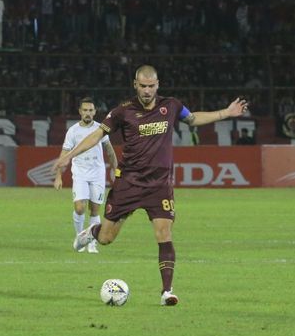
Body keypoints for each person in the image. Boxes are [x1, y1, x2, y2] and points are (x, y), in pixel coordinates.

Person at [53, 65, 248, 306]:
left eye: (151, 86)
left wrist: (226, 112)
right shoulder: (122, 112)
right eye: (142, 86)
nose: (147, 91)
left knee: (164, 233)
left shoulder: (172, 105)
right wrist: (68, 155)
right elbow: (96, 136)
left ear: (158, 85)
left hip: (159, 185)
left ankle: (167, 291)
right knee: (106, 238)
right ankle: (91, 232)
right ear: (135, 85)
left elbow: (194, 119)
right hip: (129, 183)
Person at [54, 97, 117, 254]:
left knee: (95, 210)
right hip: (80, 173)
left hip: (97, 173)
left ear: (95, 112)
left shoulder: (100, 129)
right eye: (85, 110)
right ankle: (80, 237)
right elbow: (64, 153)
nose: (88, 113)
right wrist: (58, 176)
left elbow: (110, 150)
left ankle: (92, 243)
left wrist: (116, 171)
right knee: (80, 208)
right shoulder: (73, 131)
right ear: (80, 112)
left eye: (91, 110)